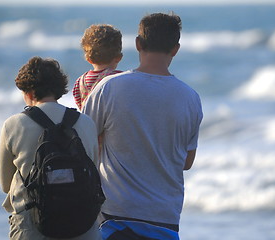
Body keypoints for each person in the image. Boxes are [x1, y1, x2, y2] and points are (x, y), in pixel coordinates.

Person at [83, 12, 203, 240]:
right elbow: (187, 162)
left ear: (138, 43)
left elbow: (82, 142)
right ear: (175, 49)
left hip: (115, 215)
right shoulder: (190, 98)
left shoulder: (109, 88)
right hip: (164, 217)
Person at [0, 56, 101, 240]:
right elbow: (93, 173)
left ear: (29, 91)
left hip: (33, 228)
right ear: (58, 89)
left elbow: (6, 184)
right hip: (82, 225)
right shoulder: (86, 123)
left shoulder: (13, 124)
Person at [73, 24, 123, 110]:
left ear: (89, 59)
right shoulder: (119, 77)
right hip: (109, 122)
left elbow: (80, 107)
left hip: (88, 123)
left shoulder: (80, 82)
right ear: (119, 58)